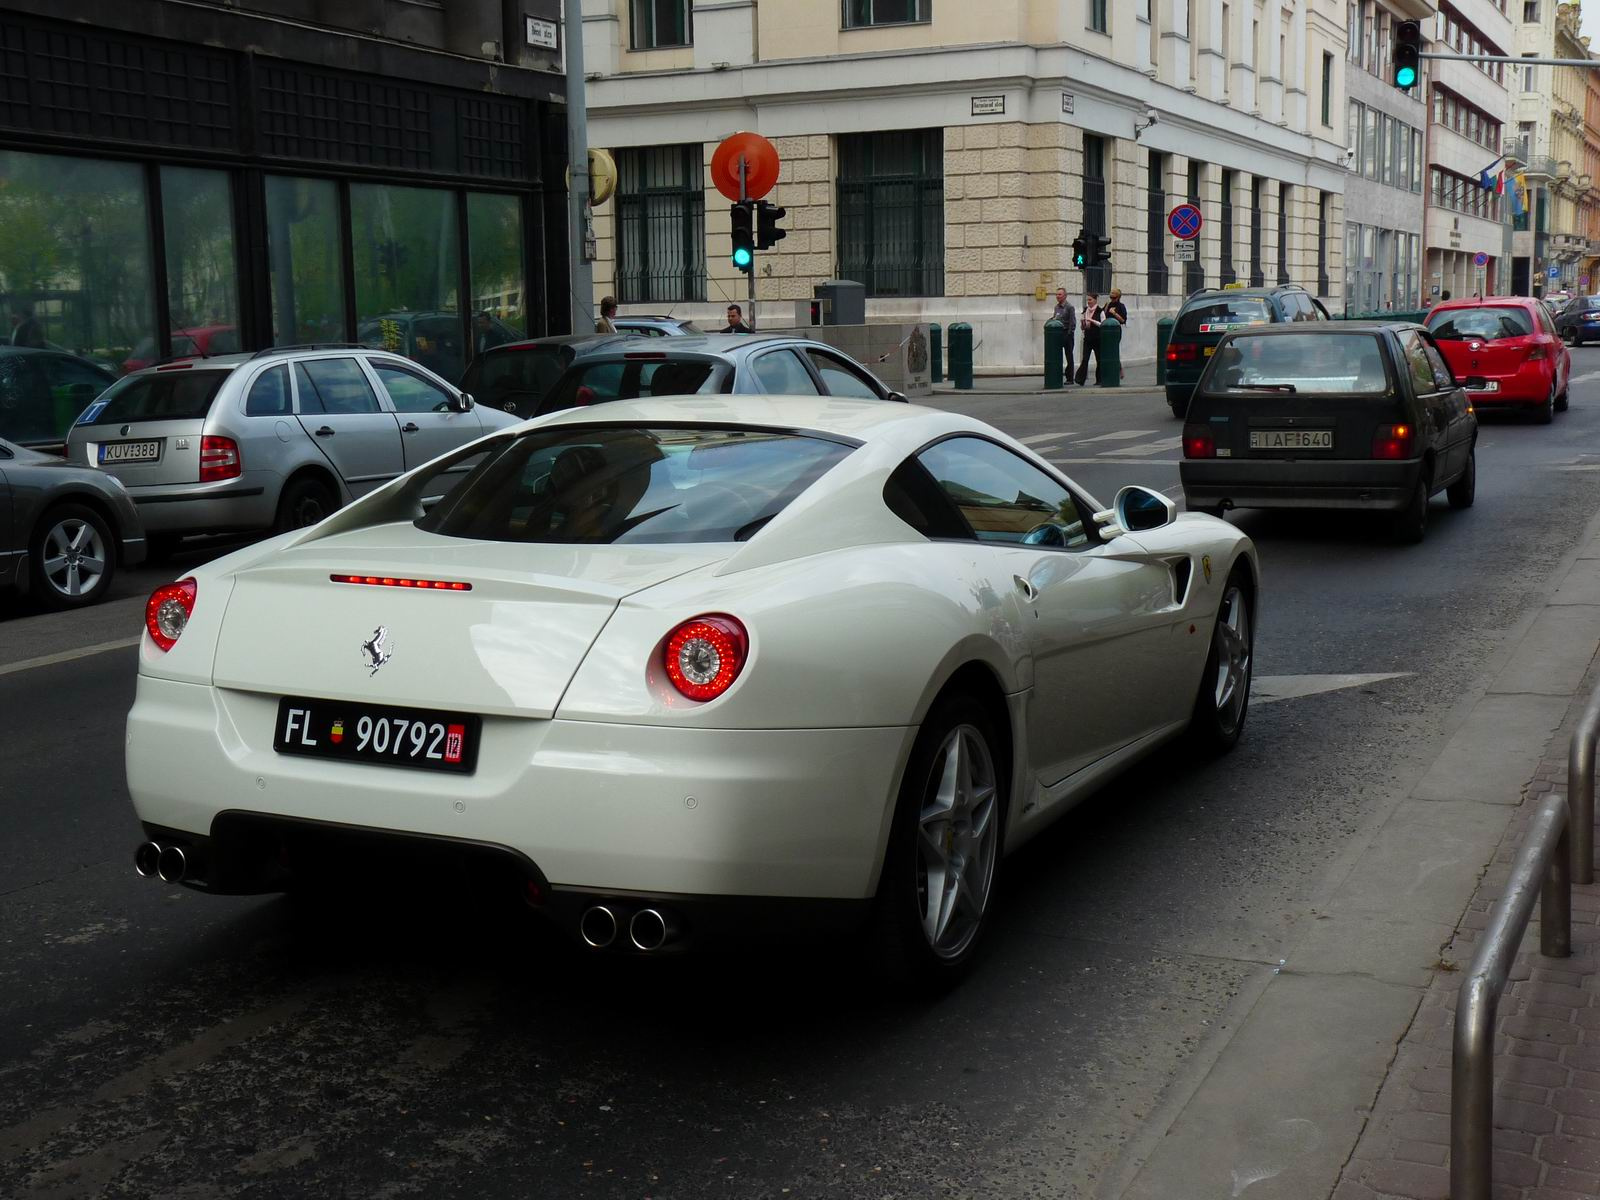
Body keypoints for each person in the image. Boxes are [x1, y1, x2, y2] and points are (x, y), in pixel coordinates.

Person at [1075, 291, 1105, 386]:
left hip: (1097, 338)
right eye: (1088, 300)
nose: (1089, 302)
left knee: (1099, 359)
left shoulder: (1100, 311)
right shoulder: (1085, 310)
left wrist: (1092, 320)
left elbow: (1103, 324)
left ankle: (1099, 379)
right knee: (1085, 359)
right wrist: (1083, 324)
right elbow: (1083, 326)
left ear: (1095, 300)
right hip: (1087, 338)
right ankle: (1080, 379)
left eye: (1090, 300)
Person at [1049, 288, 1076, 385]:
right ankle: (1057, 375)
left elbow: (1072, 322)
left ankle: (1070, 378)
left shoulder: (1069, 307)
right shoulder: (1056, 307)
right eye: (1056, 294)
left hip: (1067, 333)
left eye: (1060, 294)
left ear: (1065, 296)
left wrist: (1069, 333)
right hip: (1058, 333)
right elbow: (1055, 318)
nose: (1057, 296)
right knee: (1057, 355)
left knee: (1069, 356)